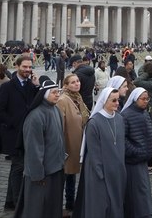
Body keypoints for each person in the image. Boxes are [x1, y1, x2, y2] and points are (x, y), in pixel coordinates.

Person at [0, 55, 40, 211]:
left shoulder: (30, 85)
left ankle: (10, 202)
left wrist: (37, 87)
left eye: (29, 67)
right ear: (17, 66)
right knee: (19, 167)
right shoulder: (7, 86)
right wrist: (14, 122)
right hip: (13, 134)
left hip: (28, 133)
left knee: (17, 167)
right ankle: (19, 202)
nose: (27, 70)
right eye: (24, 67)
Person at [14, 79, 65, 218]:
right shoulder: (35, 116)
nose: (57, 95)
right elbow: (33, 149)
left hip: (56, 168)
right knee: (37, 207)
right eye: (54, 92)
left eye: (58, 92)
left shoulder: (56, 110)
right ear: (44, 94)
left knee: (52, 206)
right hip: (42, 172)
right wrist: (37, 173)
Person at [76, 87, 127, 217]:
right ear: (104, 101)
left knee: (116, 204)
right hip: (98, 172)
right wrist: (101, 174)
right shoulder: (94, 123)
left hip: (116, 171)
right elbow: (93, 153)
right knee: (100, 205)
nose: (117, 103)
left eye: (118, 100)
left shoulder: (120, 119)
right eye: (113, 100)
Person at [56, 74, 90, 213]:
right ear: (66, 85)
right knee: (64, 175)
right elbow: (60, 124)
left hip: (78, 142)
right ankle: (57, 204)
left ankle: (70, 202)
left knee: (71, 175)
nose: (77, 84)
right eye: (73, 82)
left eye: (77, 81)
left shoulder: (78, 98)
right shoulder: (63, 100)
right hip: (67, 142)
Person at [120, 88, 152, 218]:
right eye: (143, 99)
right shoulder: (126, 115)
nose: (146, 101)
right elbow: (122, 139)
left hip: (142, 160)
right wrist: (137, 151)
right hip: (132, 161)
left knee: (143, 191)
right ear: (135, 99)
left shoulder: (144, 112)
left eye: (147, 99)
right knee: (137, 193)